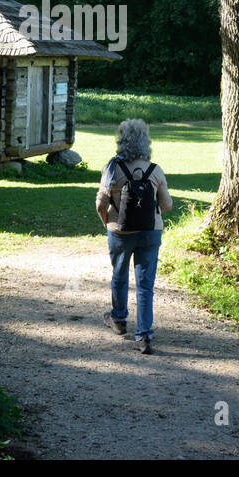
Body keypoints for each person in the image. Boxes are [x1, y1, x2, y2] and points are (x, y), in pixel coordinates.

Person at [95, 119, 172, 354]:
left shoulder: (113, 168)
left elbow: (100, 202)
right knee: (145, 285)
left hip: (120, 230)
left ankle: (118, 319)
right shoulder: (155, 170)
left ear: (122, 141)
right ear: (145, 143)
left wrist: (106, 221)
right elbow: (167, 205)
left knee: (119, 274)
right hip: (151, 232)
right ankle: (144, 335)